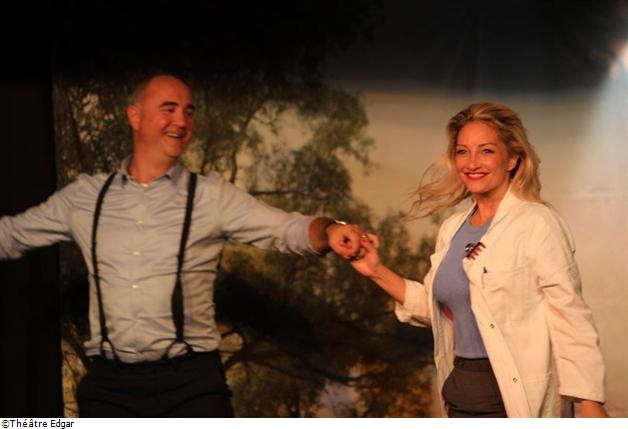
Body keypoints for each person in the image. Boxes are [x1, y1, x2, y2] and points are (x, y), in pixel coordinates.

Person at [0, 74, 365, 417]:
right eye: (169, 109)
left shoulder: (210, 196)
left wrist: (332, 230)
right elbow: (11, 234)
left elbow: (286, 229)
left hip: (190, 386)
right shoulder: (86, 197)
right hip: (109, 388)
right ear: (135, 117)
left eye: (189, 112)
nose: (182, 121)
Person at [349, 102, 607, 417]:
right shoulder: (452, 228)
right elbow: (437, 310)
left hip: (516, 395)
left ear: (512, 159)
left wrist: (590, 403)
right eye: (462, 152)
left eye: (486, 151)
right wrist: (375, 270)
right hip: (461, 391)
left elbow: (570, 317)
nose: (472, 163)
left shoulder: (537, 223)